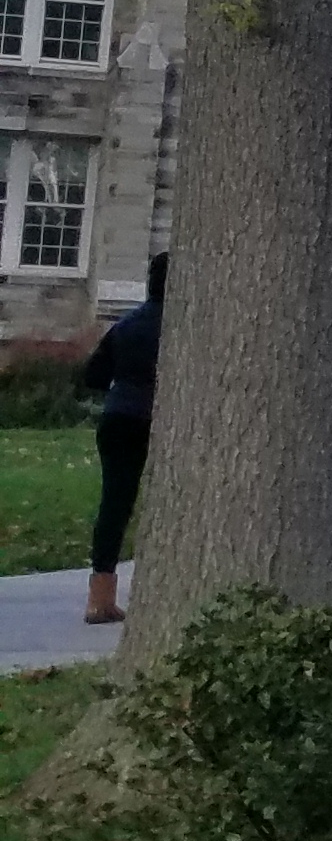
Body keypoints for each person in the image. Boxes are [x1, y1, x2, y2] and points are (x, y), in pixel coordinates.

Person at [74, 255, 163, 628]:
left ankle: (101, 598)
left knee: (115, 505)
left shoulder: (127, 325)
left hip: (117, 418)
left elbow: (93, 375)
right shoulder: (181, 326)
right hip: (154, 422)